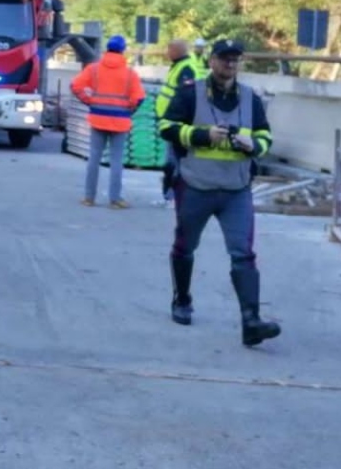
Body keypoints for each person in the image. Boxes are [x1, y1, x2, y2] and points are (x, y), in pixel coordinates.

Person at [159, 38, 282, 347]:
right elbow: (165, 127)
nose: (230, 64)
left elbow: (265, 134)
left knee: (244, 253)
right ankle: (182, 299)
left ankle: (251, 321)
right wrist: (201, 135)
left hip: (236, 189)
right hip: (195, 186)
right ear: (212, 61)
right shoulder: (191, 93)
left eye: (235, 60)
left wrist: (255, 146)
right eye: (225, 59)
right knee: (185, 246)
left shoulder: (250, 98)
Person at [71, 34, 145, 209]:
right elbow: (139, 98)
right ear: (123, 51)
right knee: (116, 160)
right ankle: (115, 199)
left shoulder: (94, 69)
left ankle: (89, 198)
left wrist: (88, 101)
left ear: (107, 49)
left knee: (94, 158)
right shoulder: (129, 74)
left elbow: (75, 86)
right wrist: (130, 110)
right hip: (120, 121)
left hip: (97, 118)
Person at [154, 39, 208, 206]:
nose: (167, 53)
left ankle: (174, 197)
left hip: (178, 123)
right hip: (169, 121)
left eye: (169, 49)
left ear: (177, 51)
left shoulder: (186, 69)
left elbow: (186, 97)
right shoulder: (179, 65)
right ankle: (170, 196)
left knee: (175, 162)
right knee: (172, 162)